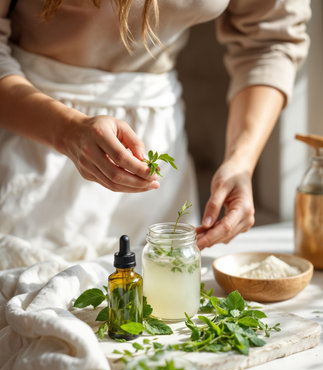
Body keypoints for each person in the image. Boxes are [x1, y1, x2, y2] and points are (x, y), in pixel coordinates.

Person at [0, 0, 311, 265]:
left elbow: (271, 39)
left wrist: (241, 161)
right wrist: (67, 130)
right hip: (30, 129)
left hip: (158, 142)